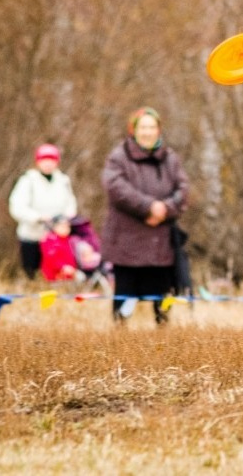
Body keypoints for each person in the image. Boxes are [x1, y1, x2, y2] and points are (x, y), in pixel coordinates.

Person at [101, 107, 189, 324]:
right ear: (133, 130)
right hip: (127, 243)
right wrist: (148, 207)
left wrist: (165, 209)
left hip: (161, 244)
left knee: (162, 298)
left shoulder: (170, 158)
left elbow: (183, 189)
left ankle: (163, 340)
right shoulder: (119, 157)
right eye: (143, 127)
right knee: (124, 296)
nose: (147, 132)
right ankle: (119, 342)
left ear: (158, 130)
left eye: (152, 127)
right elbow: (115, 187)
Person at [9, 143, 78, 279]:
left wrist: (64, 219)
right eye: (44, 160)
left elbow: (70, 204)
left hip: (57, 239)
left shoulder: (63, 180)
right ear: (38, 162)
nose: (48, 164)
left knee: (57, 274)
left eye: (51, 160)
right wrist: (38, 218)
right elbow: (17, 206)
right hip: (32, 236)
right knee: (32, 274)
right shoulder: (28, 180)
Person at [39, 215, 79, 282]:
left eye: (67, 226)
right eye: (62, 226)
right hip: (54, 276)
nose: (66, 229)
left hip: (69, 275)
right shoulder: (49, 240)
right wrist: (62, 267)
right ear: (55, 227)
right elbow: (50, 258)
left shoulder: (70, 240)